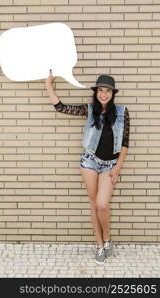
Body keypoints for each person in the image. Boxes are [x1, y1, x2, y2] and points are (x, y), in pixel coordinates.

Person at [45, 70, 130, 265]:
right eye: (100, 90)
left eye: (107, 91)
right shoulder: (90, 110)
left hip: (110, 164)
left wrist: (118, 167)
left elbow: (125, 142)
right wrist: (49, 84)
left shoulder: (122, 112)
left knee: (102, 204)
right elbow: (61, 107)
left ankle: (108, 238)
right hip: (89, 161)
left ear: (113, 93)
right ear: (96, 92)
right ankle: (99, 245)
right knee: (93, 204)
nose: (103, 94)